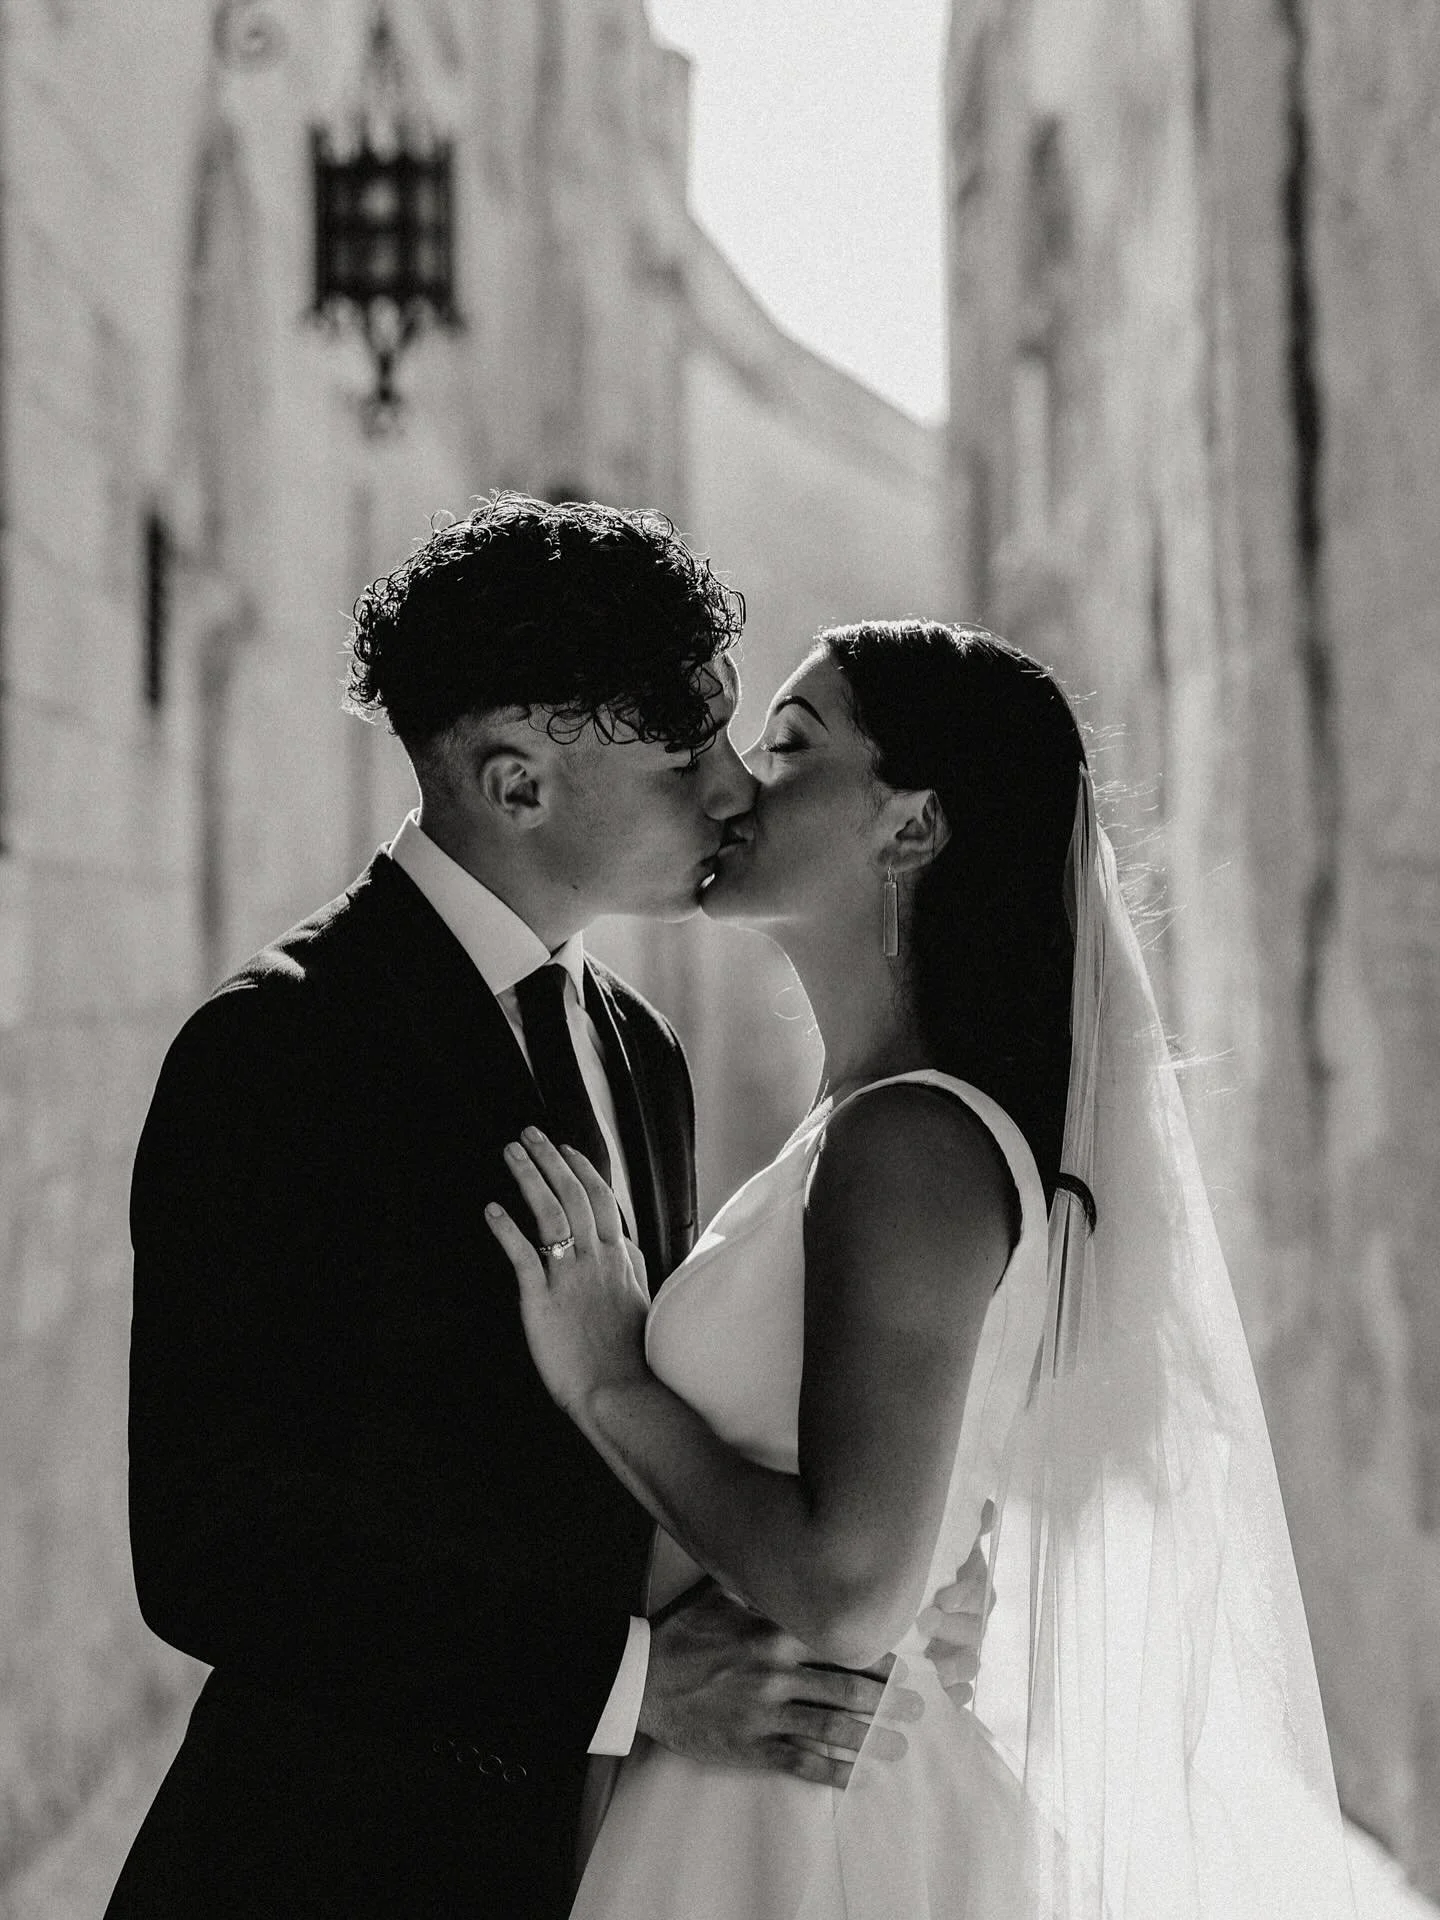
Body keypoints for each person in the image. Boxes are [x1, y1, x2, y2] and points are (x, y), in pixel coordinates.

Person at [106, 502, 980, 1920]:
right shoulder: (277, 1048)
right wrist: (631, 1688)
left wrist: (890, 1593)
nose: (733, 795)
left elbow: (625, 1460)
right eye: (684, 760)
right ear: (517, 784)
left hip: (593, 1868)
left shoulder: (641, 1049)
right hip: (326, 1867)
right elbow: (213, 1549)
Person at [488, 621, 1362, 1918]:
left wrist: (611, 1380)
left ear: (911, 827)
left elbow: (848, 1590)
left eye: (790, 747)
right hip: (746, 1786)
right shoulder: (868, 1129)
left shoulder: (911, 1141)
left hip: (806, 1832)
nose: (736, 787)